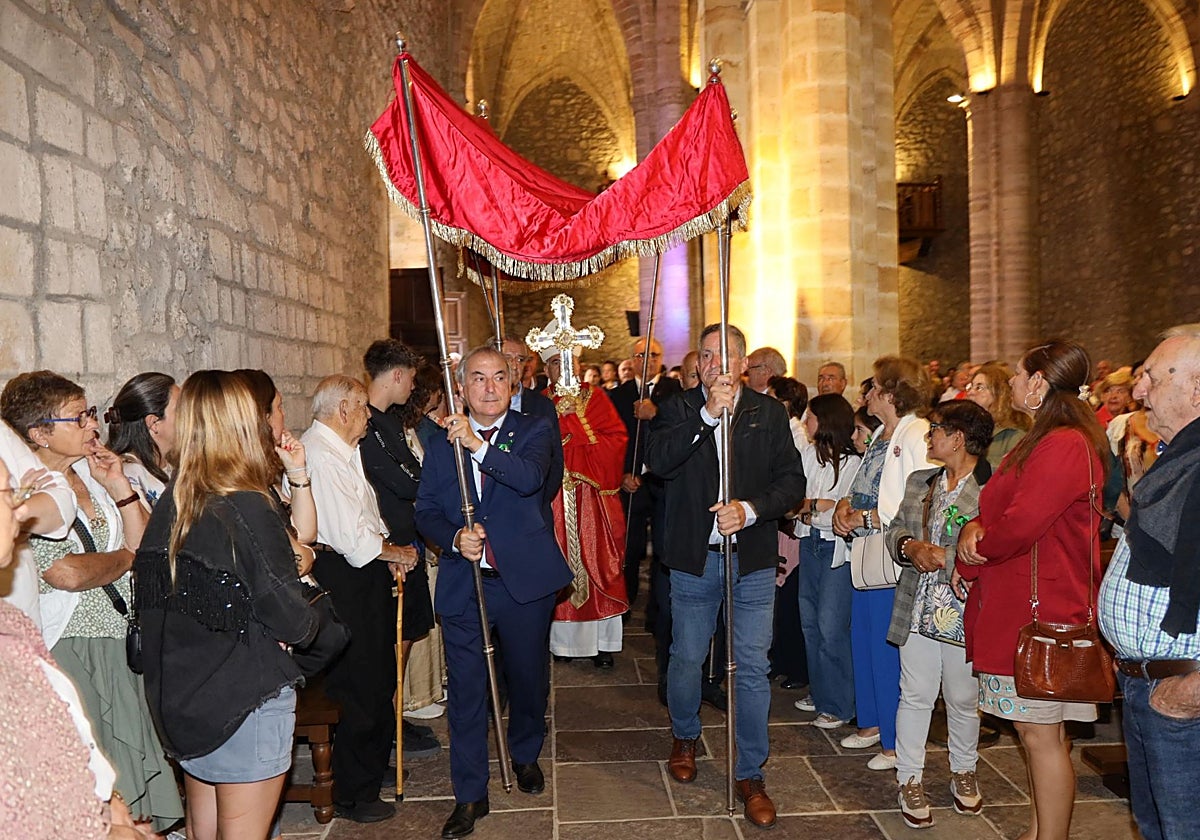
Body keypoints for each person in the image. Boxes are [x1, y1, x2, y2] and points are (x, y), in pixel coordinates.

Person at [135, 370, 320, 840]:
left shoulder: (172, 503)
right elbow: (292, 621)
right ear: (241, 425)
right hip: (243, 698)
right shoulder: (246, 505)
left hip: (184, 701)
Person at [1, 370, 183, 834]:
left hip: (116, 637)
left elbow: (144, 548)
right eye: (78, 417)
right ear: (39, 433)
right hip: (71, 643)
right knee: (101, 764)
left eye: (90, 413)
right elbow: (64, 573)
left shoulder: (90, 473)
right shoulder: (27, 490)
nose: (92, 425)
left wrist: (119, 487)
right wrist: (125, 558)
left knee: (130, 758)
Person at [645, 323, 806, 830]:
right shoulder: (677, 408)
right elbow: (658, 462)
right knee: (688, 656)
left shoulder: (767, 412)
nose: (715, 364)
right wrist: (706, 416)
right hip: (695, 559)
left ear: (742, 362)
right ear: (698, 364)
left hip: (751, 559)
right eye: (707, 355)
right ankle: (685, 733)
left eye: (725, 355)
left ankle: (750, 772)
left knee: (752, 667)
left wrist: (750, 509)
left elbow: (792, 483)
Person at [414, 345, 572, 840]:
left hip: (523, 583)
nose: (489, 387)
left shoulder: (535, 430)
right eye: (478, 378)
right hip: (466, 585)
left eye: (499, 377)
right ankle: (469, 792)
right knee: (467, 692)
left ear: (513, 383)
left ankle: (524, 753)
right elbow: (425, 510)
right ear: (461, 388)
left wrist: (479, 447)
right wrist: (453, 538)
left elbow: (529, 480)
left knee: (526, 678)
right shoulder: (440, 443)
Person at [957, 340, 1108, 840]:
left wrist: (976, 547)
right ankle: (1041, 829)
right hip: (1022, 599)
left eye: (1020, 376)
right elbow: (1001, 509)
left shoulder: (1064, 444)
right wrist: (974, 526)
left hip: (1039, 610)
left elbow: (1020, 525)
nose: (1014, 384)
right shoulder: (1043, 439)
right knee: (1038, 733)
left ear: (1040, 383)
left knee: (1040, 734)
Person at [0, 454, 143, 840]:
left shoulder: (11, 624)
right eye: (8, 494)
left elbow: (62, 745)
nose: (20, 509)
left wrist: (107, 800)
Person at [1098, 324, 1200, 840]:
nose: (1139, 391)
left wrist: (1190, 693)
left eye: (1153, 379)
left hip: (1182, 691)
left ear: (1197, 389)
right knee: (1155, 826)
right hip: (1146, 682)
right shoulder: (1178, 459)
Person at [302, 374, 418, 824]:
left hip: (363, 570)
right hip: (343, 575)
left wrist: (386, 551)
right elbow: (350, 539)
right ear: (343, 409)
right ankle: (352, 790)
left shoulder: (342, 450)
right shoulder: (320, 455)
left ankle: (368, 764)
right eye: (363, 407)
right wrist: (394, 552)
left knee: (376, 674)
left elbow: (366, 514)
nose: (369, 415)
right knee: (358, 680)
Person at [885, 401, 994, 828]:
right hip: (917, 604)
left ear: (958, 438)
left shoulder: (992, 488)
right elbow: (896, 528)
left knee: (963, 699)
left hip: (965, 608)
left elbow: (995, 548)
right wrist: (910, 547)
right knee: (915, 694)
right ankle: (909, 778)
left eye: (936, 429)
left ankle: (964, 771)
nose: (929, 436)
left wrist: (946, 557)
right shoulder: (921, 482)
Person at [833, 356, 936, 771]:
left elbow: (922, 496)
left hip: (892, 552)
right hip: (866, 549)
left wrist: (868, 517)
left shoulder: (916, 432)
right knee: (864, 638)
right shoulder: (880, 433)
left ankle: (895, 744)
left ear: (892, 393)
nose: (868, 394)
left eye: (875, 386)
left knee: (886, 646)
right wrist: (845, 507)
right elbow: (865, 482)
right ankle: (873, 722)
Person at [359, 340, 442, 759]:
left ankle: (394, 716)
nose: (413, 386)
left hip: (408, 540)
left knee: (408, 635)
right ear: (395, 375)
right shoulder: (367, 424)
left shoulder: (389, 420)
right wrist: (434, 481)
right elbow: (407, 481)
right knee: (394, 641)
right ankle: (386, 723)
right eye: (409, 377)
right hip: (391, 546)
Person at [541, 347, 629, 666]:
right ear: (546, 370)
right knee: (555, 565)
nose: (564, 367)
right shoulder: (539, 402)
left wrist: (574, 422)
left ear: (579, 365)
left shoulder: (596, 397)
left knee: (599, 565)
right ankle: (561, 644)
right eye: (555, 362)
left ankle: (603, 644)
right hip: (553, 499)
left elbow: (616, 440)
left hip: (592, 499)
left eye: (570, 360)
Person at [792, 394, 861, 728]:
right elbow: (799, 502)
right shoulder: (809, 455)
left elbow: (838, 510)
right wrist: (813, 506)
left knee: (830, 625)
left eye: (811, 416)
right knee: (809, 623)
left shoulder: (853, 463)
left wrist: (813, 507)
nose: (806, 422)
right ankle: (820, 692)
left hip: (836, 550)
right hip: (810, 543)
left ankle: (839, 703)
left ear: (826, 421)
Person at [105, 372, 179, 511]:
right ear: (154, 423)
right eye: (180, 410)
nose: (190, 417)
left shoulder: (172, 466)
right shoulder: (129, 477)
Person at [965, 362, 1029, 467]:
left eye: (979, 387)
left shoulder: (1014, 435)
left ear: (1000, 393)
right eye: (970, 387)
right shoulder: (965, 429)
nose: (970, 392)